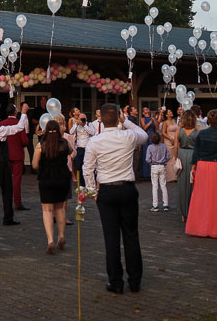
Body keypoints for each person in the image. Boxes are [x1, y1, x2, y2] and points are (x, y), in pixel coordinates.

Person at [82, 103, 148, 294]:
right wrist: (127, 121)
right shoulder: (128, 135)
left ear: (100, 119)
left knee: (111, 238)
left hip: (107, 191)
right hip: (127, 188)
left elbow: (87, 169)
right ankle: (135, 281)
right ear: (118, 118)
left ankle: (116, 281)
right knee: (131, 235)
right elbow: (143, 135)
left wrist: (92, 192)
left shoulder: (95, 141)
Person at [185, 110, 217, 239]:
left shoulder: (202, 134)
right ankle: (216, 228)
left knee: (201, 198)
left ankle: (199, 227)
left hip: (202, 166)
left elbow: (196, 152)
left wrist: (193, 167)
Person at [33, 119, 72, 254]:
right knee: (60, 207)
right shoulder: (64, 144)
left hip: (46, 178)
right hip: (62, 178)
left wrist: (42, 169)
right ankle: (61, 236)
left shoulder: (41, 146)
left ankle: (50, 240)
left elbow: (34, 164)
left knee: (47, 210)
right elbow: (71, 151)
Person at [0, 104, 30, 226]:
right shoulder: (0, 129)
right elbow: (19, 129)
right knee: (8, 189)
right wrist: (23, 113)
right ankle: (10, 213)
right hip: (4, 161)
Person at [0, 104, 30, 211]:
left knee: (6, 180)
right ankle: (17, 202)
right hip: (17, 155)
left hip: (5, 155)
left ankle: (6, 202)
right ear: (15, 112)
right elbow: (25, 141)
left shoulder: (1, 124)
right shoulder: (19, 124)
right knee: (17, 180)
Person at [175, 111, 198, 222]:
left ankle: (183, 213)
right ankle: (192, 211)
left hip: (182, 155)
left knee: (182, 184)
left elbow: (176, 146)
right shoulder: (197, 132)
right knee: (193, 184)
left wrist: (176, 159)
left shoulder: (179, 131)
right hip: (193, 156)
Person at [145, 132, 170, 212]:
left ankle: (155, 206)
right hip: (162, 166)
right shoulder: (163, 146)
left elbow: (147, 159)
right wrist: (164, 161)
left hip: (154, 166)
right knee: (163, 186)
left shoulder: (150, 147)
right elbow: (168, 157)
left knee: (155, 186)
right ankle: (165, 205)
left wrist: (151, 162)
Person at [70, 111, 96, 187]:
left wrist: (84, 125)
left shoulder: (89, 124)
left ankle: (90, 184)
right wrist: (76, 124)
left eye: (83, 118)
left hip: (88, 148)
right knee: (79, 166)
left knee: (89, 166)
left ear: (86, 118)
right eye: (80, 118)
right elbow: (71, 132)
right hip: (79, 148)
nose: (82, 120)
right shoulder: (77, 125)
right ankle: (82, 184)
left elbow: (93, 132)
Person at [160, 109, 179, 183]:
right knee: (170, 158)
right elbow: (163, 133)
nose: (171, 113)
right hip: (169, 140)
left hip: (176, 140)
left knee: (175, 157)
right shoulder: (165, 123)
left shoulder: (174, 121)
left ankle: (176, 175)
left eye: (171, 111)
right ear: (166, 115)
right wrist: (170, 138)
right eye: (169, 112)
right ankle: (170, 177)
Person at [137, 107, 156, 180]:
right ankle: (145, 173)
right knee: (146, 153)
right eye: (144, 109)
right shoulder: (142, 119)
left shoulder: (152, 118)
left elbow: (156, 127)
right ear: (143, 112)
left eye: (147, 109)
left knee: (153, 154)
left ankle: (153, 173)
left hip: (153, 136)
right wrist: (151, 121)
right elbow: (144, 127)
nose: (146, 110)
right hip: (146, 136)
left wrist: (154, 120)